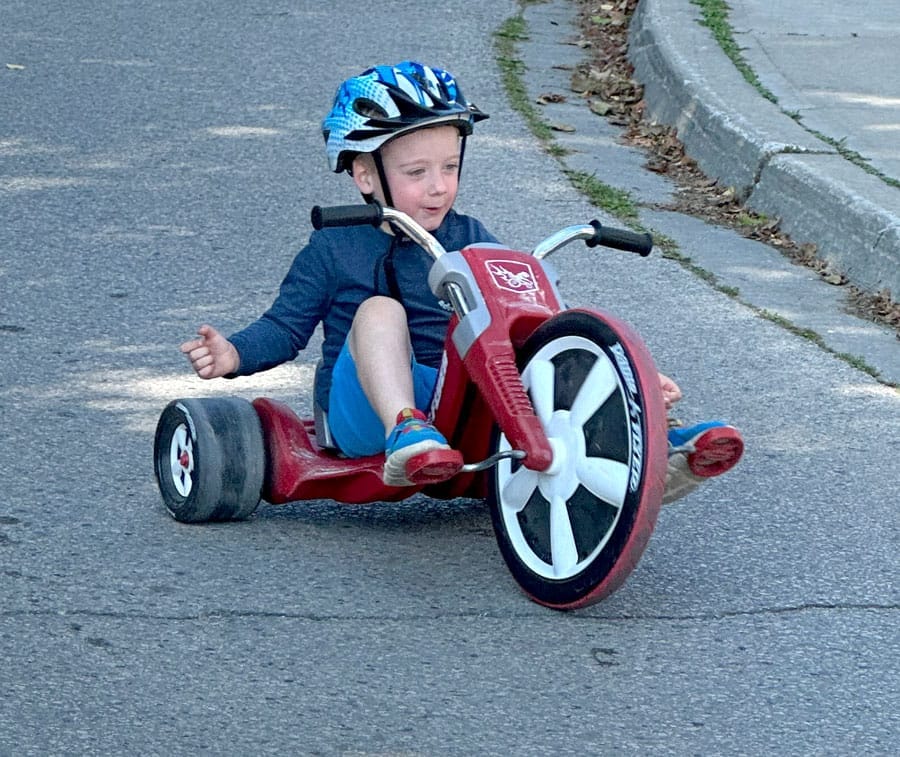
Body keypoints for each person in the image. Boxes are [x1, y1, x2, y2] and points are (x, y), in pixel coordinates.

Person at [180, 60, 743, 498]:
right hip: (366, 415)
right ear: (363, 175)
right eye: (416, 172)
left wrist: (622, 371)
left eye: (449, 167)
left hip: (460, 404)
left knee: (533, 317)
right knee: (381, 311)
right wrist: (233, 353)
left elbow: (532, 322)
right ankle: (406, 429)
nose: (437, 187)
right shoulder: (336, 245)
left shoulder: (470, 236)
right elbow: (285, 327)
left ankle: (645, 446)